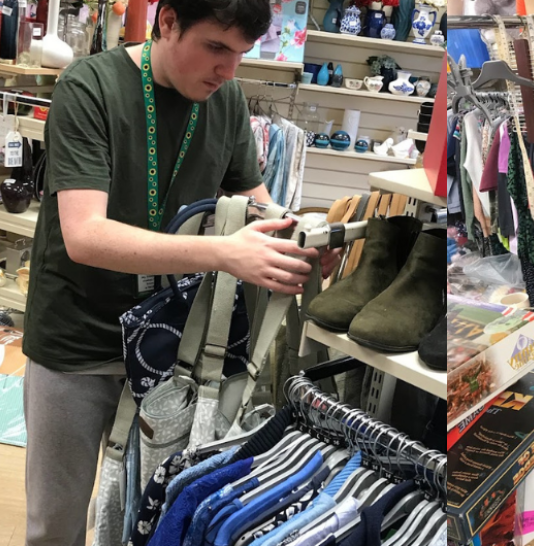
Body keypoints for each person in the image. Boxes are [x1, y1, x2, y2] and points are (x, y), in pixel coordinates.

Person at [20, 2, 338, 545]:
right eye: (216, 47)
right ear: (167, 21)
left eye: (240, 54)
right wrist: (222, 253)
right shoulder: (88, 88)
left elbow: (257, 205)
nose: (229, 70)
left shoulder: (227, 100)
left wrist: (296, 244)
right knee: (56, 522)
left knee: (146, 514)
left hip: (170, 349)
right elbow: (85, 235)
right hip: (75, 340)